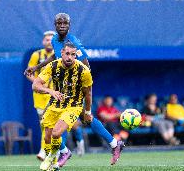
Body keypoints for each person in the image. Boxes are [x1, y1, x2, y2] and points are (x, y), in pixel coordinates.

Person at [25, 13, 124, 167]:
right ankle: (113, 143)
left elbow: (85, 64)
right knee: (84, 119)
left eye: (65, 23)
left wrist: (80, 86)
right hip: (62, 88)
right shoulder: (55, 40)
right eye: (59, 23)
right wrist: (37, 67)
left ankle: (62, 153)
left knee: (74, 119)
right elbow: (55, 56)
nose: (62, 25)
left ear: (69, 25)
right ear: (55, 25)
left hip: (75, 88)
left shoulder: (73, 42)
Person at [33, 42, 93, 170]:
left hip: (74, 106)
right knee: (47, 136)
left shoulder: (83, 70)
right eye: (67, 54)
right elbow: (35, 85)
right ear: (61, 53)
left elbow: (88, 94)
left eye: (73, 54)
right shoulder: (53, 66)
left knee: (56, 133)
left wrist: (87, 112)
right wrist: (51, 91)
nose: (69, 57)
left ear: (76, 55)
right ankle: (54, 163)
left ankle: (50, 158)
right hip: (55, 104)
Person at [26, 30, 55, 160]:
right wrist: (38, 84)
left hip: (55, 94)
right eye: (46, 40)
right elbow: (28, 72)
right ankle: (46, 150)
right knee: (44, 123)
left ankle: (47, 150)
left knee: (52, 124)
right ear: (43, 42)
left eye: (51, 40)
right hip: (39, 95)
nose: (49, 42)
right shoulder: (36, 55)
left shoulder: (60, 55)